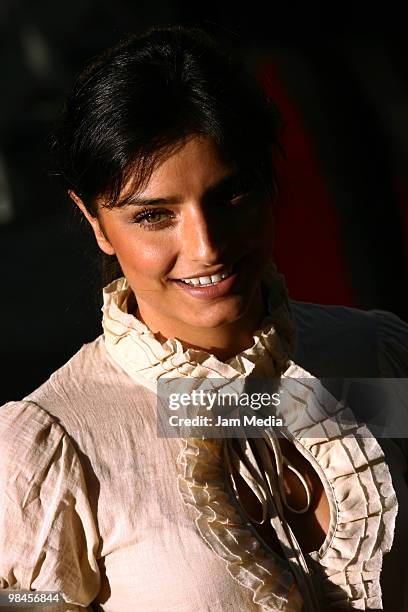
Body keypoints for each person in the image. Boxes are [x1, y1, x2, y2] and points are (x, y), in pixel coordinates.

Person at [1, 25, 408, 612]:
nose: (207, 247)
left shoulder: (376, 356)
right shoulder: (60, 445)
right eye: (154, 216)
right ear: (94, 222)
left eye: (231, 193)